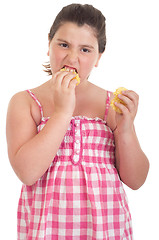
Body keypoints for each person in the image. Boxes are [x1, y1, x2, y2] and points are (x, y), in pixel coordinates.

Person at [6, 3, 149, 240]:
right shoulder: (25, 102)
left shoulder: (111, 104)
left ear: (98, 57)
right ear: (48, 44)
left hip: (107, 229)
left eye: (85, 50)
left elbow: (136, 180)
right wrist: (62, 113)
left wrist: (126, 130)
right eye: (63, 45)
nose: (72, 58)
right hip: (48, 229)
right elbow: (27, 173)